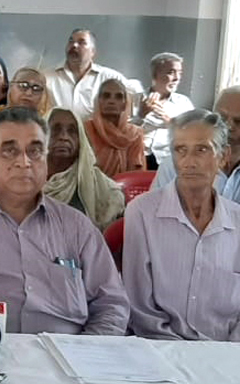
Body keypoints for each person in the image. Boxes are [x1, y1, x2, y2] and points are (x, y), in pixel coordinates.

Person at [0, 106, 129, 335]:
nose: (24, 162)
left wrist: (85, 353)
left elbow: (111, 305)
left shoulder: (77, 226)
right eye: (9, 151)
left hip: (69, 356)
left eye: (35, 151)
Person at [124, 109, 240, 341]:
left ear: (223, 155)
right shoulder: (143, 213)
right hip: (160, 348)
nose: (189, 162)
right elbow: (141, 309)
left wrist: (229, 353)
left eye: (202, 149)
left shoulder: (237, 220)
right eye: (180, 150)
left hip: (225, 353)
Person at [151, 86, 240, 198]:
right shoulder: (174, 165)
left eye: (238, 121)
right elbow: (153, 210)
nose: (229, 126)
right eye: (222, 118)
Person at [44, 107, 124, 230]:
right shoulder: (27, 179)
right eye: (55, 130)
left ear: (81, 140)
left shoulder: (102, 188)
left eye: (72, 131)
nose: (64, 137)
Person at [46, 28, 127, 123]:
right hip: (58, 136)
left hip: (97, 137)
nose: (74, 45)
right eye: (71, 41)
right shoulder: (47, 77)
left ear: (93, 52)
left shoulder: (110, 78)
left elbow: (133, 94)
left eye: (81, 42)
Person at [139, 52, 194, 168]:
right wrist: (141, 116)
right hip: (138, 156)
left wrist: (169, 120)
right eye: (171, 72)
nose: (177, 78)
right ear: (155, 75)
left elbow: (193, 134)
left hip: (169, 159)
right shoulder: (135, 99)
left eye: (179, 73)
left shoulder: (184, 103)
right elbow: (122, 131)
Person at [85, 78, 146, 177]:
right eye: (106, 96)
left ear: (125, 103)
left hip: (126, 188)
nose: (111, 101)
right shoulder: (86, 129)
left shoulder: (135, 133)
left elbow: (137, 171)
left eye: (118, 97)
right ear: (98, 101)